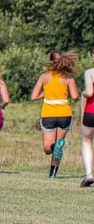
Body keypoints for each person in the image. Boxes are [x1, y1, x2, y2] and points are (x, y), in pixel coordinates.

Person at [30, 51, 80, 179]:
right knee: (59, 144)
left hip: (49, 114)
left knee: (48, 148)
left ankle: (54, 148)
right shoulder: (68, 78)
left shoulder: (44, 77)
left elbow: (33, 97)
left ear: (50, 62)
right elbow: (75, 96)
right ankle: (52, 174)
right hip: (65, 114)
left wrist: (46, 93)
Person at [81, 50, 94, 187]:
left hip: (91, 111)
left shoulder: (90, 72)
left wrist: (83, 93)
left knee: (87, 140)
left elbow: (90, 92)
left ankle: (89, 174)